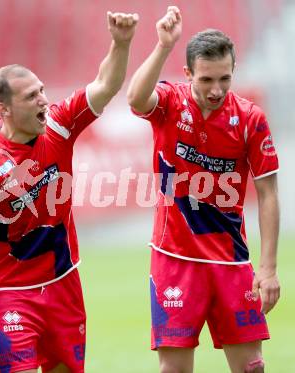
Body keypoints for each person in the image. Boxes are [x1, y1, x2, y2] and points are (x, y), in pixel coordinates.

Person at [0, 11, 139, 373]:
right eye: (30, 96)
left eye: (42, 90)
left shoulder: (59, 126)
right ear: (3, 109)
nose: (43, 100)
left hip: (63, 283)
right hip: (11, 293)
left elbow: (105, 84)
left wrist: (121, 42)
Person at [127, 6, 280, 373]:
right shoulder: (168, 103)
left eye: (225, 79)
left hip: (231, 260)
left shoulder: (249, 119)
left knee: (252, 368)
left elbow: (269, 194)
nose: (216, 89)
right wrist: (163, 46)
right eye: (206, 79)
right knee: (174, 370)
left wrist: (269, 267)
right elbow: (135, 99)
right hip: (175, 259)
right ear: (188, 73)